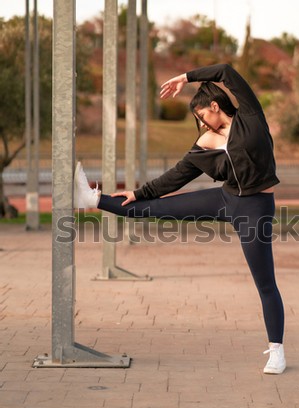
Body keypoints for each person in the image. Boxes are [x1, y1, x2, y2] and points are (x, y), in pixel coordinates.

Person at [74, 63, 286, 374]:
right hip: (225, 200)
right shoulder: (205, 144)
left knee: (265, 282)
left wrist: (185, 78)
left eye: (201, 116)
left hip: (256, 208)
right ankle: (92, 200)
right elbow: (177, 176)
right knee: (156, 207)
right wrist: (140, 192)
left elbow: (225, 71)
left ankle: (277, 351)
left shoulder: (251, 116)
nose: (200, 124)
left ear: (214, 106)